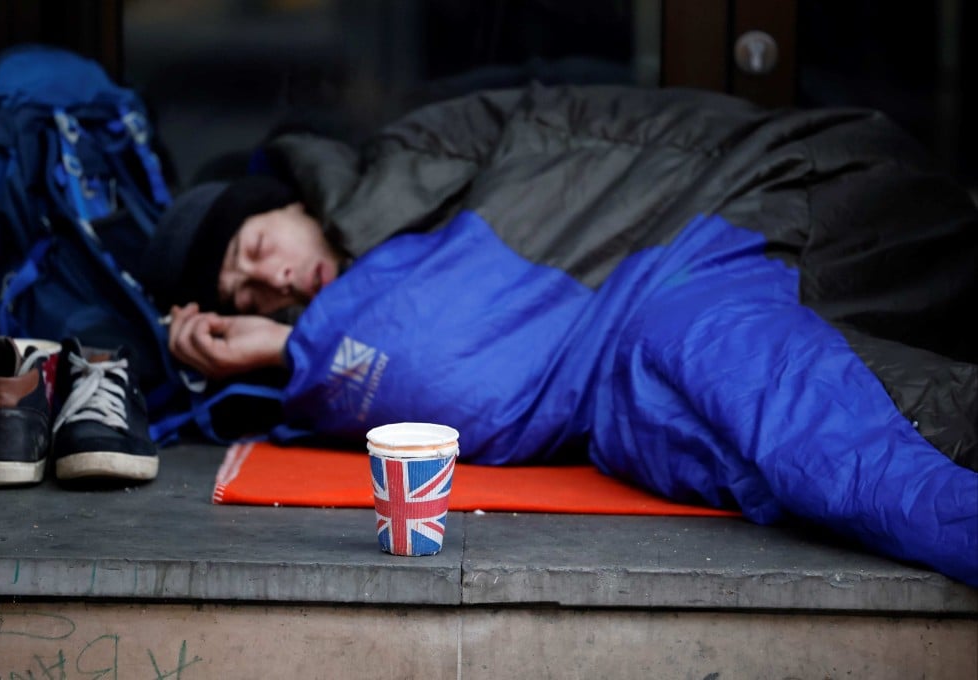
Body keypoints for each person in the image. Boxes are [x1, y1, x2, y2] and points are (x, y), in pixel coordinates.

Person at [141, 83, 978, 586]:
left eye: (258, 251)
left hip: (744, 211)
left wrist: (292, 348)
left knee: (713, 365)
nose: (275, 283)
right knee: (682, 425)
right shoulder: (348, 317)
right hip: (640, 329)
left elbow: (456, 375)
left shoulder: (410, 175)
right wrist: (286, 351)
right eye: (249, 294)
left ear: (288, 201)